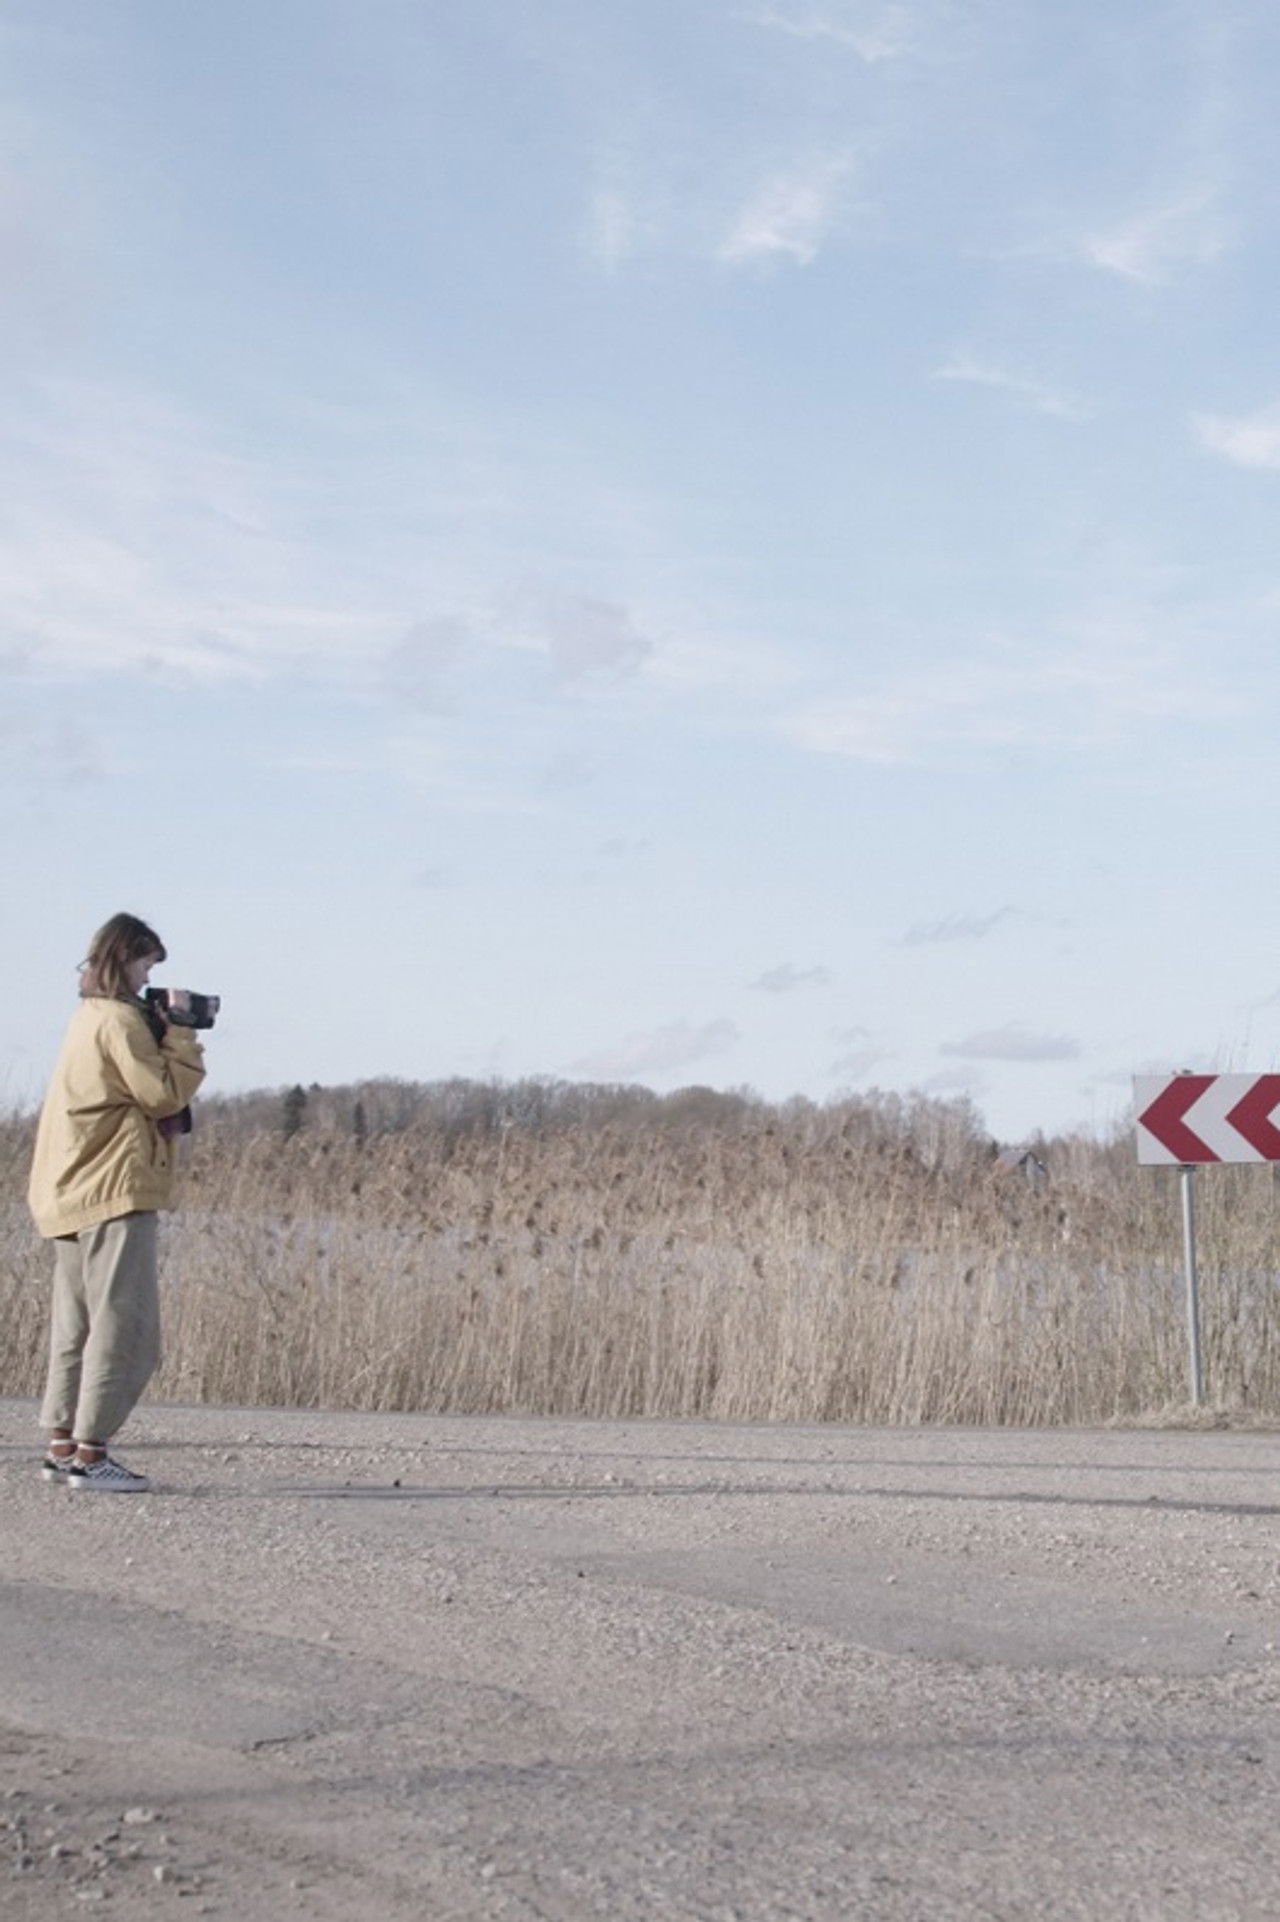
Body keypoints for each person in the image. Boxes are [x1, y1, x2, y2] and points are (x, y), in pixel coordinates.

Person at [27, 913, 208, 1492]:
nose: (149, 977)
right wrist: (181, 1033)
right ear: (125, 958)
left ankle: (62, 1446)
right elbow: (161, 1095)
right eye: (147, 964)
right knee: (125, 1327)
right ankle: (91, 1454)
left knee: (76, 1326)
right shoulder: (120, 1022)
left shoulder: (87, 1016)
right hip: (112, 1189)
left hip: (69, 1189)